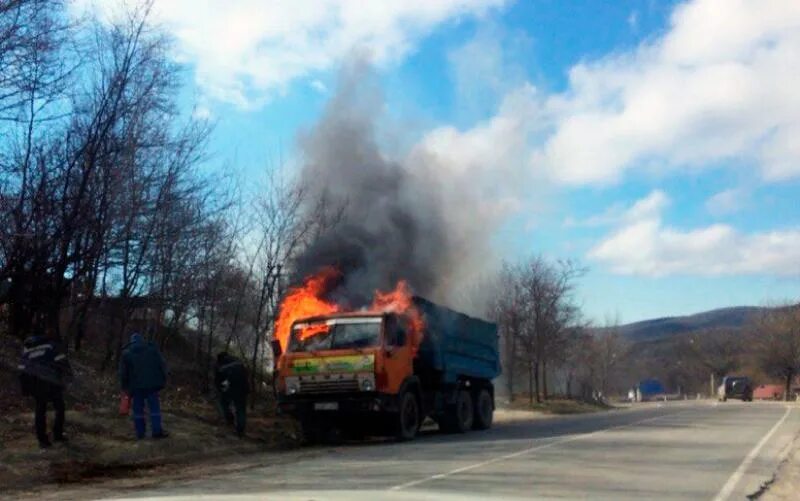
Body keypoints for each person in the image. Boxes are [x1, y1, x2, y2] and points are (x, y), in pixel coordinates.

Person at [18, 328, 73, 449]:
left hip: (35, 382)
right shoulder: (51, 346)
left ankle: (42, 440)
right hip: (51, 381)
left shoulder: (27, 349)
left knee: (40, 409)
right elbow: (62, 362)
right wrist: (68, 377)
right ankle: (57, 434)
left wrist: (25, 389)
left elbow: (22, 369)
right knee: (60, 407)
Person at [119, 333, 169, 439]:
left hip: (136, 387)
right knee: (154, 408)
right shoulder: (152, 350)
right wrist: (163, 380)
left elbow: (124, 374)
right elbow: (162, 365)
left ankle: (140, 433)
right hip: (152, 385)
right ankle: (157, 431)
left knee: (138, 410)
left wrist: (124, 388)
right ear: (142, 340)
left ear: (131, 342)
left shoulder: (126, 354)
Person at [215, 352, 249, 437]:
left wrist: (220, 389)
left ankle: (229, 420)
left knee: (224, 403)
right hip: (242, 389)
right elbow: (245, 376)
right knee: (240, 409)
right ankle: (240, 430)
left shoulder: (221, 366)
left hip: (230, 388)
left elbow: (219, 381)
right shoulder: (238, 362)